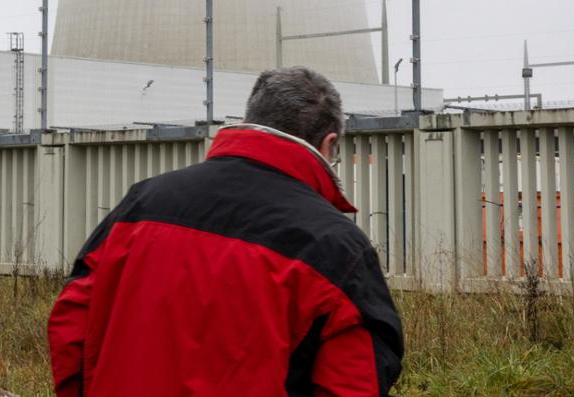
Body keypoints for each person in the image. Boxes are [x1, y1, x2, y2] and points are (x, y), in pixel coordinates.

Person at [48, 66, 404, 396]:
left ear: (250, 120)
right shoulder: (335, 245)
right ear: (328, 145)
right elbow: (355, 380)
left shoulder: (141, 203)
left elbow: (71, 324)